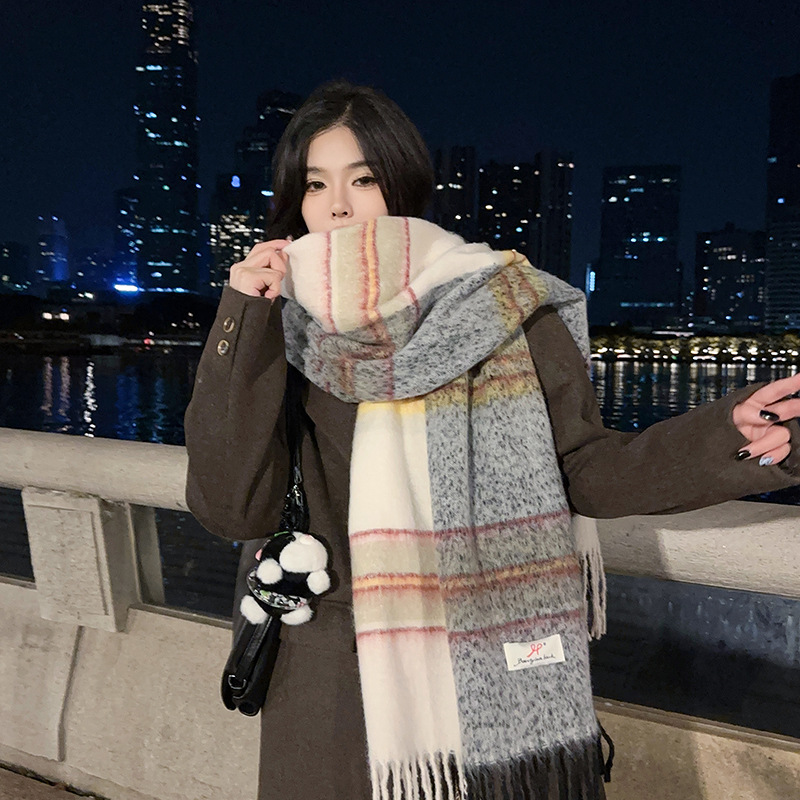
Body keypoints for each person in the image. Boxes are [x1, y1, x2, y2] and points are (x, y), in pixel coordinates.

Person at [183, 81, 800, 800]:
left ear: (403, 184)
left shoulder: (504, 306)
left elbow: (584, 470)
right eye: (316, 184)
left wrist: (726, 438)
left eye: (363, 179)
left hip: (479, 661)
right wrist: (241, 317)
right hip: (323, 675)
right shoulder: (283, 326)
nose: (339, 206)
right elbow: (232, 509)